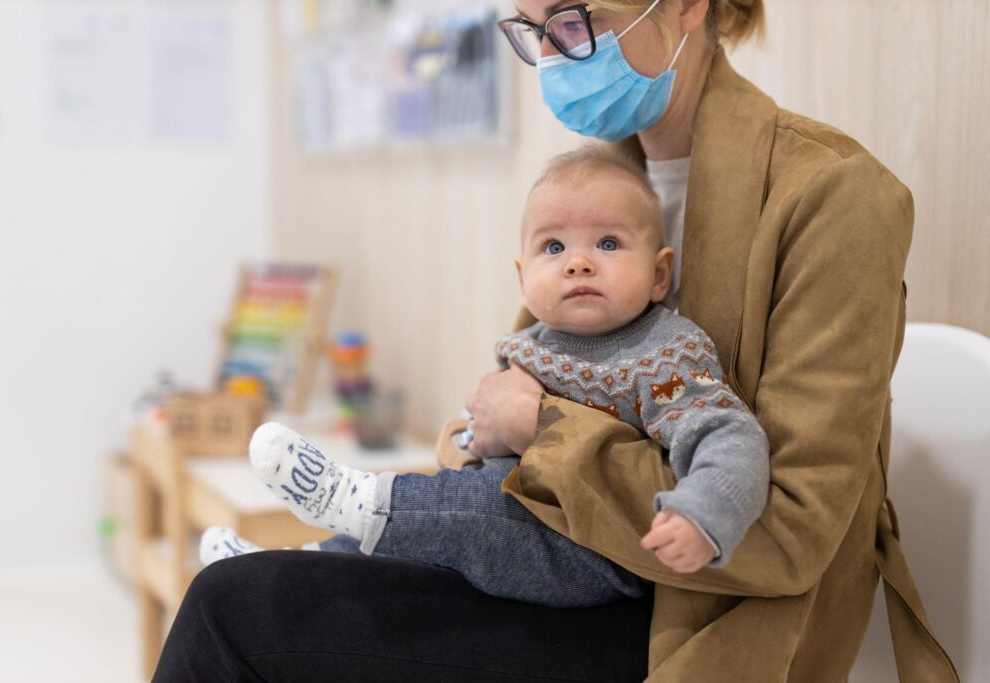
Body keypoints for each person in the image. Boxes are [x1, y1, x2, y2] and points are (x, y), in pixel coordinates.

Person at [154, 1, 958, 680]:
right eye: (533, 33)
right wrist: (490, 434)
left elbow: (787, 531)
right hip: (544, 555)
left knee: (235, 611)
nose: (554, 61)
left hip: (693, 614)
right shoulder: (595, 186)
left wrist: (543, 432)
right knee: (255, 584)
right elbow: (493, 408)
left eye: (576, 23)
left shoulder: (834, 197)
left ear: (687, 6)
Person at [198, 145, 770, 603]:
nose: (578, 260)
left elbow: (726, 434)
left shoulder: (664, 352)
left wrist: (704, 513)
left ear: (658, 274)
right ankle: (292, 569)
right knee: (429, 524)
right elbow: (485, 440)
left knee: (473, 507)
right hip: (507, 518)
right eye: (553, 246)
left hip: (591, 550)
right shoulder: (532, 344)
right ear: (524, 277)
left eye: (609, 242)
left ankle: (358, 498)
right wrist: (472, 440)